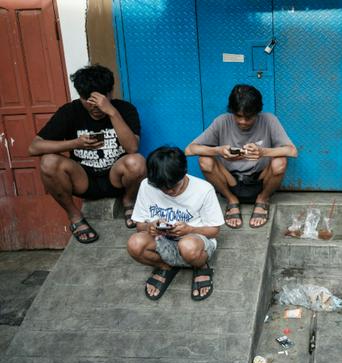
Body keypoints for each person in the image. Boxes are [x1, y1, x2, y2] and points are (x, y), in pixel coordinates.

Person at [28, 64, 145, 244]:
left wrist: (111, 112)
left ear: (110, 93)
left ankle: (129, 201)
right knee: (48, 162)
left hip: (116, 178)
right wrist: (75, 143)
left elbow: (132, 148)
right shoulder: (70, 111)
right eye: (87, 99)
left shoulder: (124, 109)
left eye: (99, 99)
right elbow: (34, 148)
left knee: (137, 162)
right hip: (83, 179)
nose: (94, 106)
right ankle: (75, 216)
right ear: (80, 96)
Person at [185, 84, 297, 229]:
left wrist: (263, 152)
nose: (243, 121)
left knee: (280, 162)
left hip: (261, 179)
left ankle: (262, 199)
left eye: (248, 117)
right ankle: (231, 200)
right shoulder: (222, 121)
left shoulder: (269, 120)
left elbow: (292, 151)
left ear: (257, 112)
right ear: (232, 112)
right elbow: (189, 150)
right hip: (230, 180)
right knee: (204, 160)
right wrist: (219, 151)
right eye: (238, 116)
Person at [127, 147, 224, 301]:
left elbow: (215, 231)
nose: (169, 192)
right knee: (134, 244)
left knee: (188, 246)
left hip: (195, 241)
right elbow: (140, 226)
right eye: (162, 188)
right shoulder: (147, 185)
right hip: (163, 241)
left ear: (184, 172)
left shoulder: (204, 189)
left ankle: (200, 266)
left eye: (174, 186)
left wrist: (189, 229)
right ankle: (165, 266)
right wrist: (150, 226)